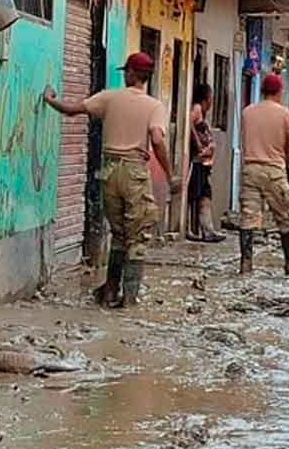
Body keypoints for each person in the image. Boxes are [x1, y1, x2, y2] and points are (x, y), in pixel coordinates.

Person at [43, 52, 179, 307]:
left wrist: (50, 98)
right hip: (134, 173)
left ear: (130, 73)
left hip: (108, 173)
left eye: (125, 71)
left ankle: (108, 294)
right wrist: (170, 175)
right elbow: (158, 140)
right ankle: (128, 301)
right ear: (147, 77)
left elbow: (72, 110)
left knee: (118, 235)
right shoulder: (154, 106)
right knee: (137, 238)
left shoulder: (109, 97)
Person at [238, 73, 289, 276]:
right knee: (284, 216)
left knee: (248, 217)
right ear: (278, 91)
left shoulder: (247, 112)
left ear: (261, 90)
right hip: (275, 169)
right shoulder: (285, 114)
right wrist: (287, 164)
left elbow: (243, 141)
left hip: (250, 168)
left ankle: (246, 263)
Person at [187, 83, 225, 243]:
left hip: (203, 163)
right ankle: (188, 229)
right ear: (205, 98)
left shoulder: (201, 112)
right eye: (210, 98)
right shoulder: (196, 109)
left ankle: (207, 230)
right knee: (193, 195)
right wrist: (198, 144)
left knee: (205, 195)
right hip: (196, 162)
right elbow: (188, 123)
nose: (211, 102)